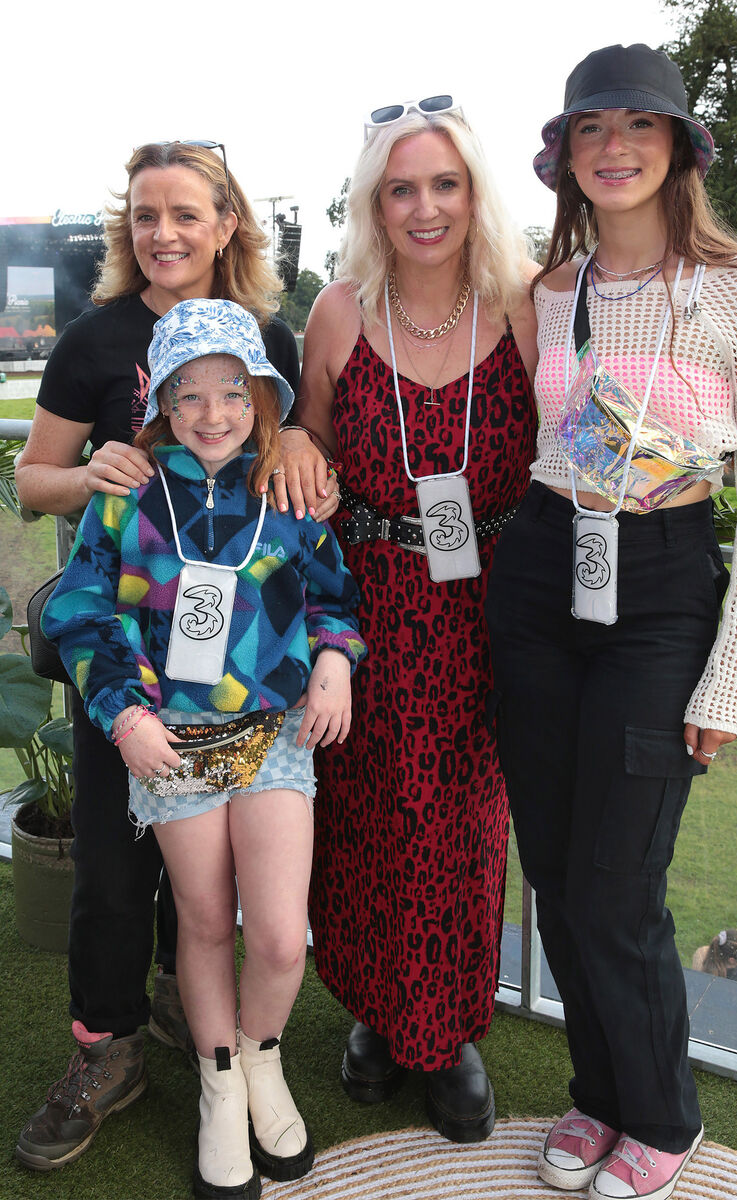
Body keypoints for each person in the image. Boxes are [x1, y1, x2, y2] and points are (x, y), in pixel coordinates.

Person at [486, 44, 737, 1200]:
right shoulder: (550, 290)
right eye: (590, 129)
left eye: (638, 125)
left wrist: (729, 683)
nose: (614, 146)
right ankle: (599, 1095)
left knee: (620, 883)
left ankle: (663, 1118)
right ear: (566, 158)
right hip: (540, 575)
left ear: (678, 146)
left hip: (664, 589)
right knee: (559, 869)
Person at [13, 141, 328, 1172]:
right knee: (133, 880)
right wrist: (101, 479)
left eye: (185, 213)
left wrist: (333, 656)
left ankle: (236, 1048)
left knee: (255, 920)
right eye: (145, 214)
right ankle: (138, 1056)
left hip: (262, 706)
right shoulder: (95, 346)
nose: (164, 232)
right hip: (148, 687)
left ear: (225, 223)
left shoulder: (264, 351)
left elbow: (314, 560)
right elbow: (40, 497)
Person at [41, 298, 366, 1198]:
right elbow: (80, 613)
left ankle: (261, 1059)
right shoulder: (131, 495)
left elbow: (334, 598)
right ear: (162, 404)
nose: (214, 413)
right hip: (170, 743)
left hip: (274, 737)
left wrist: (334, 664)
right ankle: (219, 1085)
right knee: (201, 919)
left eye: (233, 390)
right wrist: (124, 713)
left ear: (263, 395)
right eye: (190, 395)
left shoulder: (287, 488)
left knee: (273, 936)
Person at [280, 98, 538, 1142]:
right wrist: (298, 442)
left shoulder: (524, 301)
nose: (425, 207)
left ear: (474, 193)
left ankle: (450, 1032)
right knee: (369, 822)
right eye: (401, 188)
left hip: (492, 603)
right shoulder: (342, 310)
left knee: (466, 828)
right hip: (368, 604)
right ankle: (378, 1017)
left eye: (445, 184)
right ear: (372, 205)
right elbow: (309, 425)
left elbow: (617, 410)